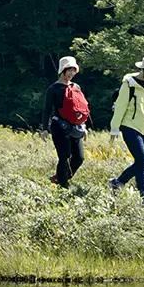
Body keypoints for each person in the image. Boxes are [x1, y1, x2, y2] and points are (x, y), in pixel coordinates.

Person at [108, 55, 144, 204]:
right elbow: (120, 106)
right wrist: (115, 128)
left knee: (142, 162)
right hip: (130, 126)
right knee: (142, 161)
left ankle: (118, 183)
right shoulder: (129, 84)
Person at [41, 56, 89, 188]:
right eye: (69, 71)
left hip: (76, 127)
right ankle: (63, 186)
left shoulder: (76, 87)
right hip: (59, 127)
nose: (71, 74)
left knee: (79, 158)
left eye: (74, 71)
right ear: (63, 70)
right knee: (64, 157)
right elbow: (47, 110)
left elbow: (80, 108)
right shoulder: (53, 89)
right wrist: (45, 129)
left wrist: (83, 126)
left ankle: (59, 178)